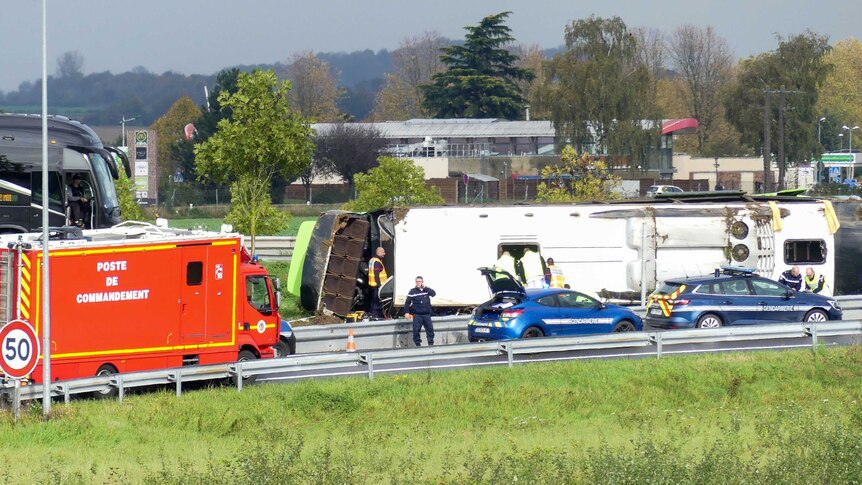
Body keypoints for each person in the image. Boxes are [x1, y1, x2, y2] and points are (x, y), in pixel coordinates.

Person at [404, 276, 436, 346]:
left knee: (430, 330)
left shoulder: (426, 290)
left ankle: (431, 344)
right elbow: (407, 303)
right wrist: (407, 312)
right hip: (417, 315)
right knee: (416, 330)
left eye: (419, 281)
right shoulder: (412, 291)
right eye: (417, 281)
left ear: (422, 282)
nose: (418, 283)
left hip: (426, 314)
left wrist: (425, 288)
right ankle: (418, 344)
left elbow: (433, 294)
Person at [367, 247, 388, 319]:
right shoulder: (377, 262)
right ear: (379, 252)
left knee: (374, 301)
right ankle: (377, 316)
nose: (384, 254)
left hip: (373, 285)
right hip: (377, 286)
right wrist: (380, 287)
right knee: (377, 302)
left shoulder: (372, 260)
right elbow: (377, 276)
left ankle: (372, 314)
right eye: (383, 252)